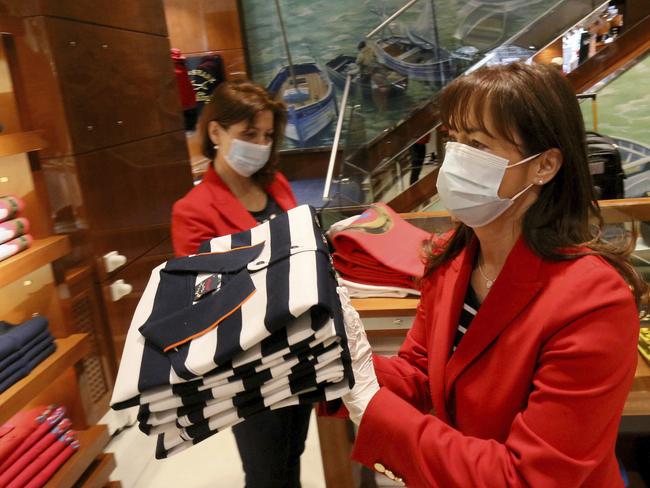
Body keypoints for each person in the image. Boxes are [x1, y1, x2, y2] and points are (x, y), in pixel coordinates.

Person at [336, 62, 646, 487]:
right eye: (454, 140)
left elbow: (529, 478)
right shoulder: (452, 255)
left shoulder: (594, 302)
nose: (457, 159)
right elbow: (423, 373)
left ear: (544, 166)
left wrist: (372, 405)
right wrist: (338, 367)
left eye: (478, 145)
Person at [172, 80, 311, 488]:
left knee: (292, 454)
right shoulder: (192, 211)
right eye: (249, 135)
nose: (260, 145)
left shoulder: (275, 184)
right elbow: (202, 296)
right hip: (245, 363)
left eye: (267, 136)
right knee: (265, 470)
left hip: (298, 347)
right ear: (215, 132)